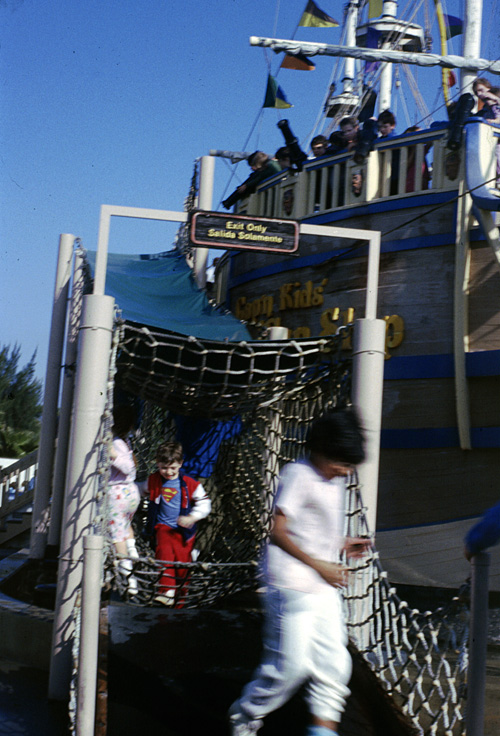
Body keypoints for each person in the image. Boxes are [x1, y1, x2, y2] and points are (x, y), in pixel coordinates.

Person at [228, 408, 372, 736]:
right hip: (290, 585)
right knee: (289, 668)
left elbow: (314, 530)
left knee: (335, 667)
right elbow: (278, 531)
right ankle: (245, 715)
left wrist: (341, 542)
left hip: (322, 587)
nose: (346, 471)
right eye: (342, 463)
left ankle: (321, 732)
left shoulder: (334, 479)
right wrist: (320, 564)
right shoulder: (299, 474)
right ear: (322, 450)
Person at [147, 441, 211, 606]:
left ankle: (180, 599)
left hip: (183, 532)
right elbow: (140, 489)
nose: (168, 472)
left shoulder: (189, 483)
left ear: (180, 464)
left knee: (183, 567)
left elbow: (205, 503)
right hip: (163, 527)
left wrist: (192, 517)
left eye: (172, 468)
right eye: (163, 468)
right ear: (157, 464)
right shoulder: (154, 480)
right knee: (164, 552)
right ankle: (166, 590)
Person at [108, 405, 141, 596]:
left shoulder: (116, 442)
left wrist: (112, 455)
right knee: (126, 529)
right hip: (129, 492)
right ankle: (134, 558)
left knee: (117, 536)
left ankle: (129, 578)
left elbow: (128, 467)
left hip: (118, 494)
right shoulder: (126, 441)